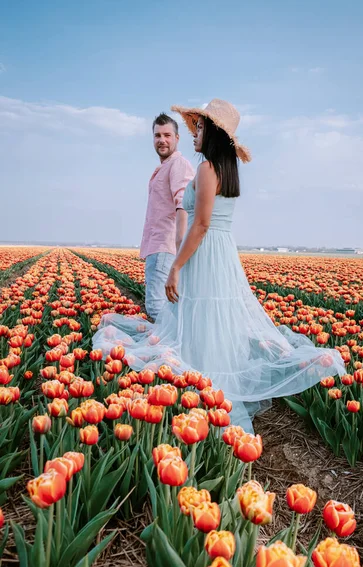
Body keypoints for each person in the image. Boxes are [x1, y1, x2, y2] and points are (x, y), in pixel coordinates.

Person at [94, 99, 345, 431]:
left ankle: (208, 390)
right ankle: (210, 385)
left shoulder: (206, 168)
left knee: (200, 317)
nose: (193, 133)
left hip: (206, 251)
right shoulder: (228, 170)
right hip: (222, 254)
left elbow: (200, 225)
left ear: (211, 134)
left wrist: (177, 267)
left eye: (198, 128)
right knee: (212, 318)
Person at [140, 113, 195, 320]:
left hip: (165, 246)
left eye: (167, 135)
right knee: (165, 307)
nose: (161, 140)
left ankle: (167, 350)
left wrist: (179, 245)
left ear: (177, 138)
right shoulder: (163, 167)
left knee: (156, 307)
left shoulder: (178, 164)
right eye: (157, 135)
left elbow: (184, 205)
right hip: (158, 246)